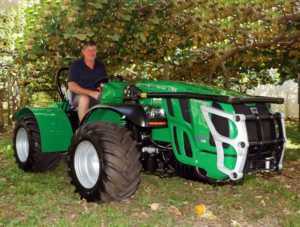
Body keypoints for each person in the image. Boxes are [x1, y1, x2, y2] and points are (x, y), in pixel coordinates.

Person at [68, 41, 108, 121]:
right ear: (83, 52)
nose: (91, 52)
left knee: (113, 99)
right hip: (79, 96)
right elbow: (71, 86)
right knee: (84, 99)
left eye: (93, 50)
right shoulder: (76, 65)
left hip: (98, 96)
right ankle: (85, 130)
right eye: (89, 50)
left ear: (96, 51)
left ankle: (110, 128)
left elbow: (106, 84)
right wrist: (91, 93)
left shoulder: (101, 66)